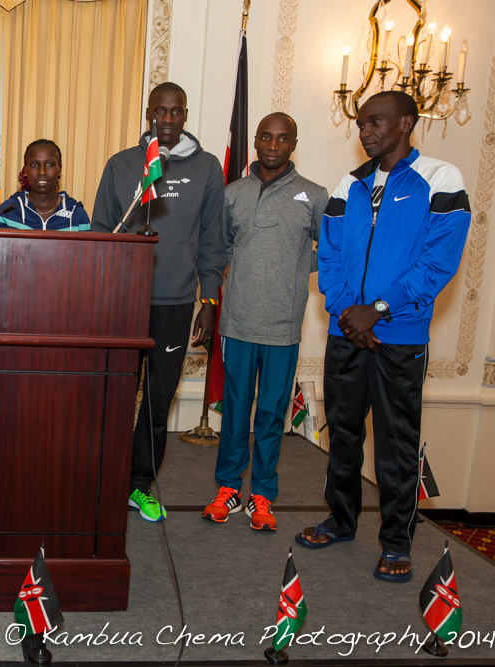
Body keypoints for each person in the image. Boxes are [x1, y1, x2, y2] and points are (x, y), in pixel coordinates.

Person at [296, 91, 471, 583]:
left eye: (375, 122)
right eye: (361, 124)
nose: (365, 131)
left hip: (400, 337)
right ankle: (341, 520)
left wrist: (377, 310)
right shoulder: (348, 184)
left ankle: (396, 543)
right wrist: (347, 313)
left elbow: (438, 261)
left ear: (407, 122)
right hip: (347, 332)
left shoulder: (441, 179)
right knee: (344, 434)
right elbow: (328, 256)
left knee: (396, 444)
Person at [91, 82, 226, 522]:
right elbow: (101, 231)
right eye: (159, 111)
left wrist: (208, 299)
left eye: (176, 112)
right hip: (123, 301)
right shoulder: (122, 164)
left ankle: (140, 483)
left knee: (158, 399)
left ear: (185, 114)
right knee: (115, 395)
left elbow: (212, 239)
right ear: (148, 113)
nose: (167, 120)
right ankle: (106, 478)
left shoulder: (207, 167)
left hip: (176, 301)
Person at [202, 113, 328, 531]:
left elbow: (330, 249)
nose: (274, 145)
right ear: (255, 141)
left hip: (282, 327)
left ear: (294, 144)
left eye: (283, 138)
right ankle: (228, 488)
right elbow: (221, 246)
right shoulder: (232, 193)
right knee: (235, 412)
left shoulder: (314, 195)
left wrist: (295, 265)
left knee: (272, 415)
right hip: (237, 322)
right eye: (267, 137)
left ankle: (262, 494)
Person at [0, 139, 90, 231]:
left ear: (59, 169)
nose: (42, 172)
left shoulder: (77, 214)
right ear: (25, 170)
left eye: (49, 164)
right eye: (34, 165)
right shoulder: (4, 214)